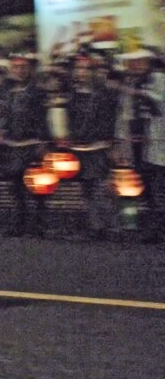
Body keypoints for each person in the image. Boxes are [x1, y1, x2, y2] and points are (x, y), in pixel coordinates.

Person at [0, 54, 49, 236]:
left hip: (32, 143)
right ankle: (20, 222)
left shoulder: (37, 92)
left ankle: (39, 224)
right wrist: (0, 131)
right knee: (15, 187)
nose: (19, 71)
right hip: (13, 144)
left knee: (37, 186)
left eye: (23, 67)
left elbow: (43, 118)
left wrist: (42, 141)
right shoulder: (7, 92)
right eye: (16, 67)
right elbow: (1, 114)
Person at [115, 49, 165, 242]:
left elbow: (159, 102)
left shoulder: (158, 80)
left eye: (139, 62)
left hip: (158, 144)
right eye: (131, 62)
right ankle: (154, 228)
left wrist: (138, 93)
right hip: (137, 145)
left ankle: (157, 228)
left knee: (158, 187)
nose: (134, 66)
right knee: (146, 189)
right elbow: (123, 116)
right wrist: (121, 142)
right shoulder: (129, 84)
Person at [67, 54, 116, 238]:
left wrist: (112, 143)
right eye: (79, 68)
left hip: (99, 146)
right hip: (80, 147)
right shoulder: (73, 95)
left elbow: (110, 120)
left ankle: (109, 225)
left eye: (86, 69)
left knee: (101, 186)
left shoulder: (104, 94)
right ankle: (95, 225)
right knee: (86, 188)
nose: (82, 72)